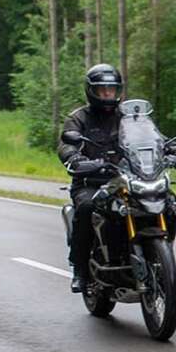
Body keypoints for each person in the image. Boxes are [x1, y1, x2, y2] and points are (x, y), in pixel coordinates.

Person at [58, 64, 125, 294]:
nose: (108, 94)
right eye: (103, 89)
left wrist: (175, 150)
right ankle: (80, 269)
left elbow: (154, 136)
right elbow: (66, 144)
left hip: (124, 180)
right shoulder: (78, 118)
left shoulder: (127, 116)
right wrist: (75, 159)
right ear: (92, 91)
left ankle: (155, 255)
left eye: (112, 89)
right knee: (87, 207)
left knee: (165, 200)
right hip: (90, 182)